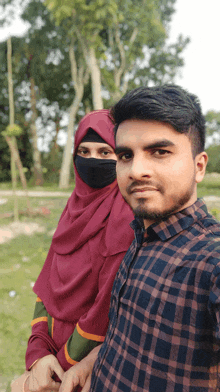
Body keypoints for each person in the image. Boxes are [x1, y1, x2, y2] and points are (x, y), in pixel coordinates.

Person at [85, 85, 220, 392]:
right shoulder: (142, 237)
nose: (137, 170)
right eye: (125, 155)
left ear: (199, 167)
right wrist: (92, 362)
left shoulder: (211, 260)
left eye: (160, 152)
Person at [11, 109, 134, 392]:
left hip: (87, 368)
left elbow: (102, 312)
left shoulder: (123, 221)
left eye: (105, 152)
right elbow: (47, 288)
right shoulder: (73, 209)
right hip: (48, 361)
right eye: (84, 151)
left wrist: (57, 365)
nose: (93, 160)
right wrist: (38, 353)